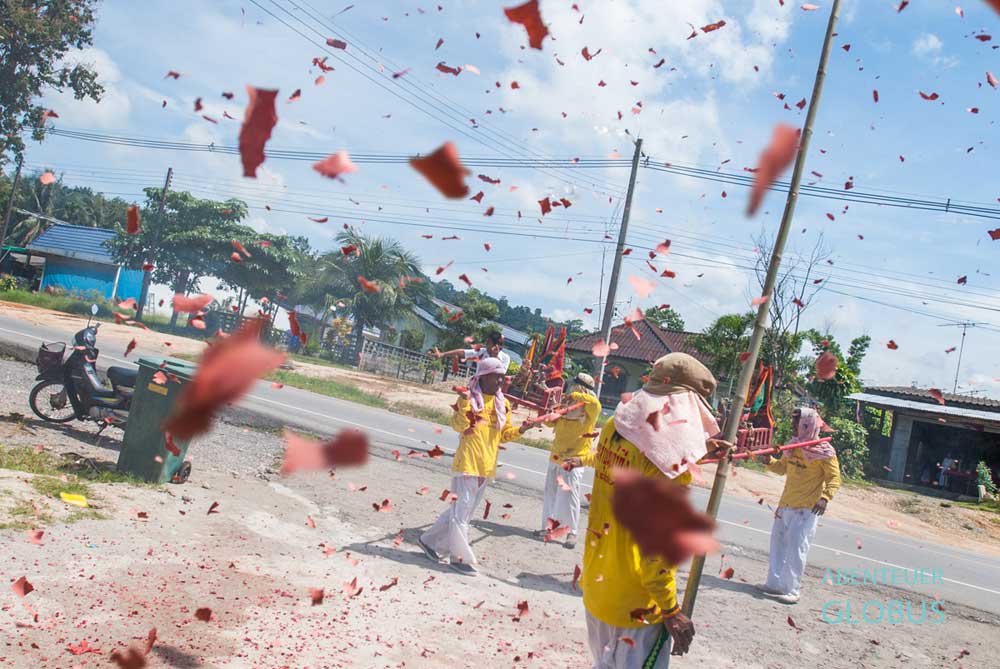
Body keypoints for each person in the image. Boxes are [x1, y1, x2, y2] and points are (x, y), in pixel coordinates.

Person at [564, 353, 727, 668]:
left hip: (599, 589)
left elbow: (636, 458)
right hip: (636, 608)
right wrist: (671, 611)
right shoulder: (668, 468)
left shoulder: (615, 426)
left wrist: (700, 452)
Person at [417, 357, 525, 576]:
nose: (500, 381)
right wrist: (464, 403)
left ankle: (428, 542)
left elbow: (504, 435)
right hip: (467, 463)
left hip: (487, 466)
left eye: (502, 377)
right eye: (496, 377)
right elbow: (459, 425)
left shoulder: (503, 404)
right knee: (462, 514)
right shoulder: (469, 399)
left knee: (461, 511)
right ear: (483, 377)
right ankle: (460, 558)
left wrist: (523, 429)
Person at [756, 406, 841, 605]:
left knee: (796, 549)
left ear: (807, 425)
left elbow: (834, 478)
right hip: (785, 504)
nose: (793, 427)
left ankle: (792, 590)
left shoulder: (825, 452)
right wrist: (769, 461)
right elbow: (781, 468)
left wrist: (825, 498)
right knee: (777, 544)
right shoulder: (793, 445)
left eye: (797, 423)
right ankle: (774, 583)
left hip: (806, 509)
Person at [536, 372, 602, 549]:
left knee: (570, 497)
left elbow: (595, 404)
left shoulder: (590, 410)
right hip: (556, 456)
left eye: (574, 386)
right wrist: (547, 409)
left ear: (581, 388)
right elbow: (550, 422)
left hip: (574, 460)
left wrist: (575, 395)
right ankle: (547, 528)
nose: (570, 388)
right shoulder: (566, 405)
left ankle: (572, 533)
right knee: (550, 494)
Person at [430, 329, 511, 373]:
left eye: (488, 343)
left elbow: (501, 372)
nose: (486, 344)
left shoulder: (505, 358)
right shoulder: (482, 351)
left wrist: (495, 356)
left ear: (496, 345)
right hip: (477, 387)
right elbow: (462, 352)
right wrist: (443, 354)